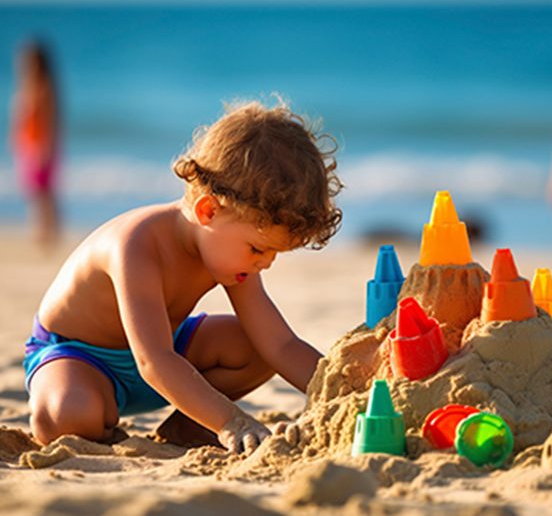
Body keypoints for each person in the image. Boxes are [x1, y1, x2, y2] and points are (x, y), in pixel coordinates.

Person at [23, 100, 343, 453]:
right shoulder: (136, 246)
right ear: (208, 210)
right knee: (71, 415)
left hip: (170, 353)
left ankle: (187, 427)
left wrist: (341, 390)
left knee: (256, 349)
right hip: (81, 357)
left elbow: (280, 343)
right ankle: (105, 411)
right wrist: (233, 421)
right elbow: (152, 360)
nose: (265, 263)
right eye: (257, 249)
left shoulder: (227, 249)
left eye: (274, 254)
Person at [10, 40, 61, 247]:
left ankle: (48, 234)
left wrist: (45, 149)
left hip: (40, 147)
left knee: (43, 193)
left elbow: (48, 121)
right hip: (29, 146)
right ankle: (40, 231)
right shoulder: (27, 87)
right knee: (34, 192)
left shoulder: (44, 89)